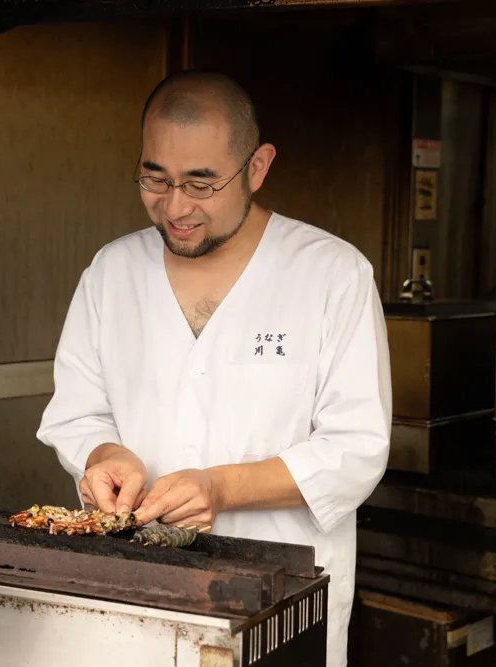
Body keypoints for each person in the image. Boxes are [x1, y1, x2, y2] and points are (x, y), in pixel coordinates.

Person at [36, 70, 391, 667]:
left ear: (257, 166)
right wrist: (104, 456)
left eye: (201, 183)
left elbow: (356, 447)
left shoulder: (331, 274)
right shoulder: (112, 271)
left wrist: (219, 488)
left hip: (278, 606)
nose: (175, 207)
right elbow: (78, 410)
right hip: (134, 599)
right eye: (155, 178)